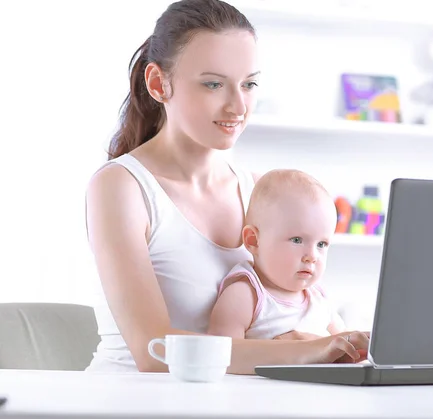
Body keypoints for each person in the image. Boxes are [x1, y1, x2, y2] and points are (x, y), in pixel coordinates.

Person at [85, 0, 369, 374]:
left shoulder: (254, 189)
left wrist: (335, 343)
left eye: (249, 84)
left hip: (226, 401)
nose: (238, 106)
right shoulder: (121, 187)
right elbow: (153, 352)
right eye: (213, 84)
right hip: (133, 402)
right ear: (158, 84)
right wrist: (307, 350)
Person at [207, 169, 348, 340]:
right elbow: (223, 357)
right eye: (297, 240)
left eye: (321, 244)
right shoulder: (245, 295)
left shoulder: (318, 296)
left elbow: (347, 343)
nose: (312, 256)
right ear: (253, 241)